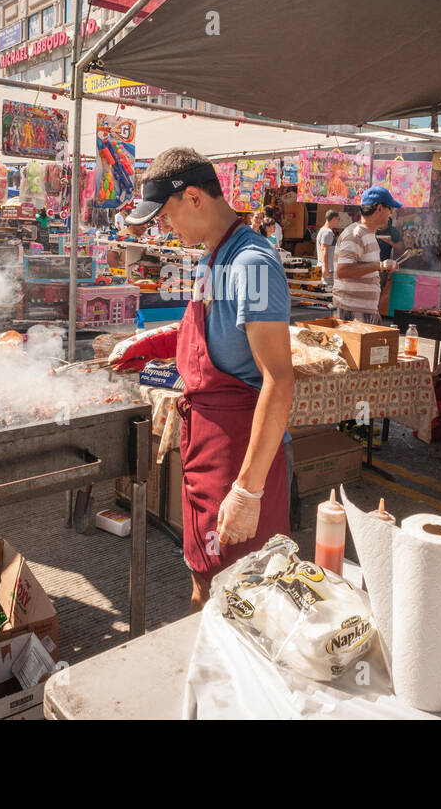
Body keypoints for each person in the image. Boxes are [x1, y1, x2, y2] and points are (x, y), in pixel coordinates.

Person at [124, 148, 293, 611]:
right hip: (205, 444)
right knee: (203, 580)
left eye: (164, 215)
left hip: (237, 451)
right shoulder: (210, 259)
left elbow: (279, 380)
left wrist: (248, 489)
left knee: (240, 597)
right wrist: (153, 344)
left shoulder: (252, 264)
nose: (163, 228)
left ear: (194, 198)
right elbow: (208, 332)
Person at [333, 186, 401, 324]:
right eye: (390, 209)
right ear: (379, 209)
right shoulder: (355, 234)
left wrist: (373, 310)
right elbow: (343, 270)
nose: (391, 214)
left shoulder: (369, 234)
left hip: (365, 312)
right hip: (351, 314)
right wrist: (380, 266)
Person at [375, 212, 406, 315]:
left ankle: (374, 313)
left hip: (383, 268)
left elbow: (401, 248)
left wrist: (389, 242)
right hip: (368, 265)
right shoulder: (372, 228)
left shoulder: (392, 231)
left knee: (378, 291)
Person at [315, 209, 342, 290]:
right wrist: (325, 267)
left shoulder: (323, 230)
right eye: (338, 219)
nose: (338, 222)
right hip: (328, 269)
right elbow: (324, 250)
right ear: (333, 219)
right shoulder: (327, 232)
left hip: (327, 268)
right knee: (328, 293)